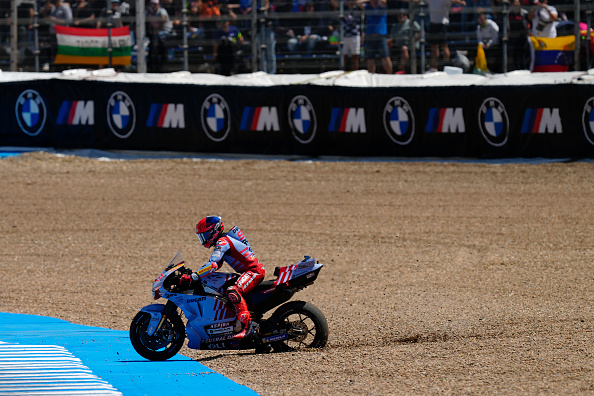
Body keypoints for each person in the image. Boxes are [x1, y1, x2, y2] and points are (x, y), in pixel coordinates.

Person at [180, 216, 264, 340]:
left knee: (232, 291)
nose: (204, 239)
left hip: (253, 272)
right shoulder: (223, 241)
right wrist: (196, 273)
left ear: (214, 231)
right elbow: (215, 265)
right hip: (248, 272)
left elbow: (213, 264)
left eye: (206, 234)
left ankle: (247, 328)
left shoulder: (222, 242)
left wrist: (194, 276)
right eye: (201, 236)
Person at [425, 0, 466, 72]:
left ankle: (446, 66)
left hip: (442, 24)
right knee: (434, 47)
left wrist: (461, 2)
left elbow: (454, 1)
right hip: (433, 24)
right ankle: (434, 67)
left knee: (444, 45)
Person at [364, 0, 392, 74]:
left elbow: (384, 1)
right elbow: (358, 2)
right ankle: (371, 76)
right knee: (370, 58)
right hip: (370, 36)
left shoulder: (382, 7)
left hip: (381, 36)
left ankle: (389, 76)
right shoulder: (368, 7)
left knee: (385, 57)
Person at [389, 8, 420, 74]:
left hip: (410, 45)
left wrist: (414, 40)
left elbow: (420, 32)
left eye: (403, 14)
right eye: (399, 15)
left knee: (404, 48)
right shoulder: (395, 26)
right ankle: (388, 70)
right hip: (397, 45)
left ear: (406, 15)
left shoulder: (411, 23)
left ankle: (402, 68)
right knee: (385, 47)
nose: (401, 16)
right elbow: (392, 38)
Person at [146, 0, 173, 71]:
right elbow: (150, 25)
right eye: (152, 4)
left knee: (159, 42)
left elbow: (162, 21)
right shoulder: (150, 13)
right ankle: (153, 66)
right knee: (153, 44)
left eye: (155, 4)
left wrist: (157, 31)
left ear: (158, 5)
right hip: (156, 33)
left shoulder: (162, 11)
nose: (154, 6)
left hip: (166, 32)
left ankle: (161, 66)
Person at [476, 7, 500, 72]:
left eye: (482, 18)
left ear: (485, 18)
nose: (481, 20)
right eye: (479, 19)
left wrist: (489, 43)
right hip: (485, 46)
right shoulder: (478, 28)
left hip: (494, 45)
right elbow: (479, 39)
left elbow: (496, 37)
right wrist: (482, 44)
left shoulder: (492, 25)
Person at [341, 0, 362, 71]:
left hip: (355, 35)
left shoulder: (358, 9)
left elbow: (361, 3)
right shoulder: (343, 9)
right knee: (344, 55)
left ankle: (355, 71)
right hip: (345, 35)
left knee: (355, 56)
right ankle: (344, 71)